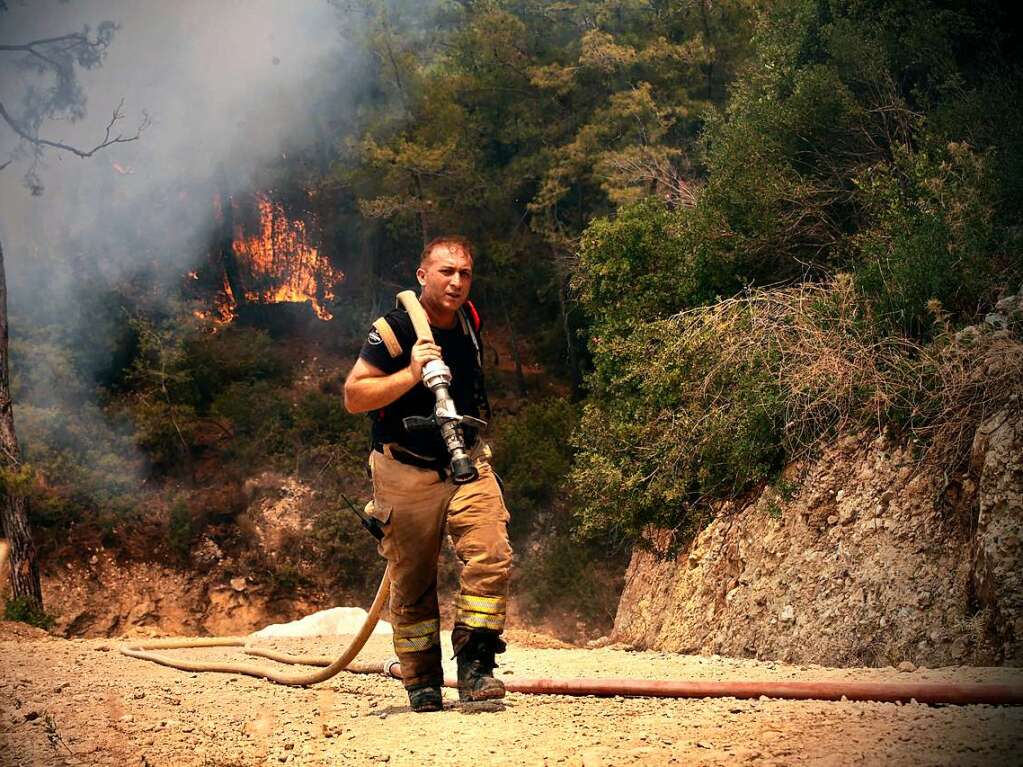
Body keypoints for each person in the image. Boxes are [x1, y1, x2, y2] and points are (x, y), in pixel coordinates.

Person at [343, 236, 512, 712]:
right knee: (412, 582)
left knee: (491, 555)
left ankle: (477, 668)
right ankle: (422, 681)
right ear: (422, 276)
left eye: (464, 273)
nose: (457, 281)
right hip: (404, 470)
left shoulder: (469, 321)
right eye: (446, 271)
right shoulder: (394, 330)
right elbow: (355, 396)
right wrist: (411, 375)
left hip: (466, 461)